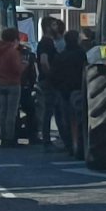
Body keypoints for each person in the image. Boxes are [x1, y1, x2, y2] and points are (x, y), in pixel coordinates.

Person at [50, 30, 87, 153]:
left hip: (64, 92)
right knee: (81, 119)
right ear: (77, 40)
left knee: (65, 120)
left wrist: (58, 87)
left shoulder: (61, 56)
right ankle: (79, 143)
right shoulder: (83, 55)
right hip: (80, 90)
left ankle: (70, 145)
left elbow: (54, 75)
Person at [0, 28, 25, 146]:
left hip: (2, 83)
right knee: (11, 113)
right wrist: (24, 66)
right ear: (14, 38)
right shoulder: (12, 51)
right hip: (13, 84)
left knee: (3, 112)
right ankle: (10, 139)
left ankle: (3, 136)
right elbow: (17, 69)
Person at [37, 18, 61, 149]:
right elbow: (44, 61)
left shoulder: (47, 42)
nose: (56, 26)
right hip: (48, 81)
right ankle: (46, 139)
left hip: (47, 80)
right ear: (47, 28)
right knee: (49, 110)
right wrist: (51, 75)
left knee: (51, 110)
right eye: (54, 24)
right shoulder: (46, 42)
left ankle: (47, 139)